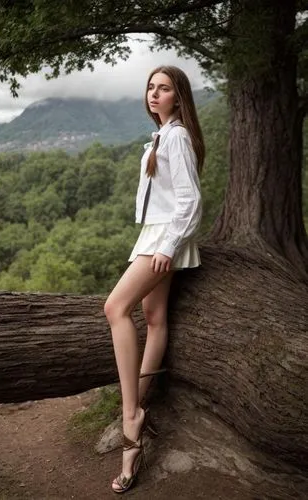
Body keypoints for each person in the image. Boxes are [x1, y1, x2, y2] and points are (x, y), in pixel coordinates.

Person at [104, 65, 205, 494]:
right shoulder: (162, 137)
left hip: (165, 236)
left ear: (178, 97)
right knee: (154, 315)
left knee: (114, 308)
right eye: (150, 87)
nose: (154, 93)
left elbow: (191, 199)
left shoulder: (177, 137)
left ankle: (131, 415)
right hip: (156, 232)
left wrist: (167, 246)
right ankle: (140, 409)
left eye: (163, 88)